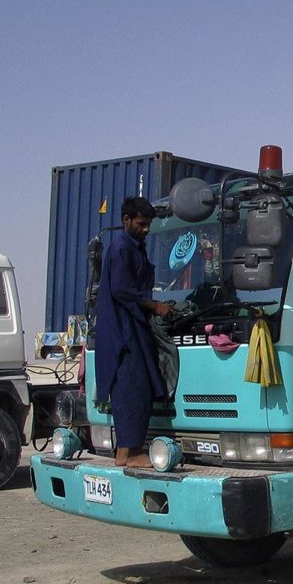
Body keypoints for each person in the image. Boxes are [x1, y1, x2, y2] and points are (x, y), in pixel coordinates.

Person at [94, 197, 173, 468]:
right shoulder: (121, 248)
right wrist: (155, 306)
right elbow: (121, 289)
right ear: (126, 220)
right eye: (141, 224)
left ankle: (125, 451)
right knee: (132, 388)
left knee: (139, 386)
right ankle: (130, 452)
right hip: (123, 331)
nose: (146, 229)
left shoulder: (135, 247)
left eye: (148, 224)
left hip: (133, 326)